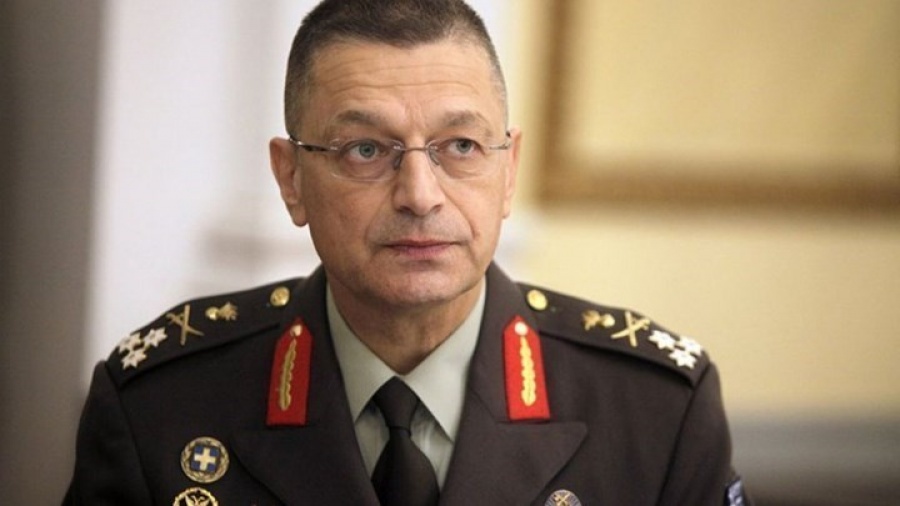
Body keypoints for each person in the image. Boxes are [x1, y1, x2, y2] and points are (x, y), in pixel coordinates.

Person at [64, 0, 752, 505]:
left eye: (461, 146)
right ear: (291, 179)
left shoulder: (656, 412)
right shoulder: (160, 406)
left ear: (509, 170)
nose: (420, 195)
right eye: (366, 149)